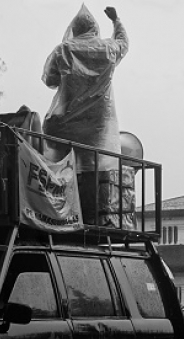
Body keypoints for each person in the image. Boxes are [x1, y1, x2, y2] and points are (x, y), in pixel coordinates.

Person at [42, 5, 131, 226]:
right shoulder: (108, 50)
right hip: (98, 126)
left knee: (66, 170)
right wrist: (116, 20)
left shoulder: (63, 50)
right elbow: (124, 44)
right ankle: (93, 217)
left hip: (65, 124)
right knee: (96, 169)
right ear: (95, 28)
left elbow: (50, 80)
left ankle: (64, 213)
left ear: (74, 28)